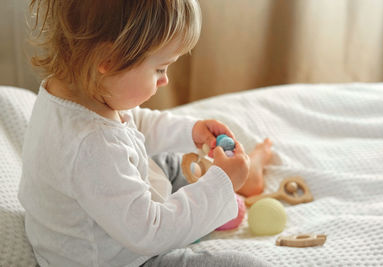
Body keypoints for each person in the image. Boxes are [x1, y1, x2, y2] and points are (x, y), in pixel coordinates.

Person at [18, 0, 272, 266]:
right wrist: (220, 183)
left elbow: (132, 124)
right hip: (119, 258)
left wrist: (191, 131)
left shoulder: (74, 95)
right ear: (110, 60)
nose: (165, 80)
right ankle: (229, 191)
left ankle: (232, 188)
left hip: (121, 223)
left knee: (172, 164)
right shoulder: (91, 145)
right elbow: (151, 233)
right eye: (160, 68)